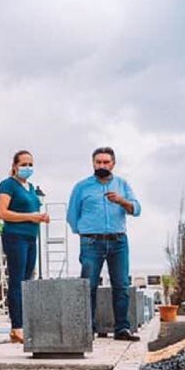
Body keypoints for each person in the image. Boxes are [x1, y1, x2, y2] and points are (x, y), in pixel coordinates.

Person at [67, 146, 142, 341]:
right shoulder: (81, 187)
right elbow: (72, 215)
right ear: (93, 163)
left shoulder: (122, 185)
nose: (102, 165)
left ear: (113, 164)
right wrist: (84, 233)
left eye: (106, 162)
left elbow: (136, 209)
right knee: (88, 285)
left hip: (118, 242)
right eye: (98, 162)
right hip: (91, 242)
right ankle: (87, 329)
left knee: (121, 285)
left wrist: (121, 201)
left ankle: (122, 329)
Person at [0, 150, 49, 343]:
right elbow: (1, 213)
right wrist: (30, 216)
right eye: (24, 164)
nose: (27, 168)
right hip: (15, 237)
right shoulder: (8, 184)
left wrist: (40, 217)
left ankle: (24, 324)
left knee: (27, 281)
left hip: (30, 237)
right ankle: (16, 325)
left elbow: (32, 209)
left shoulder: (31, 187)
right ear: (15, 166)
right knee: (17, 281)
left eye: (30, 165)